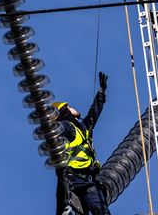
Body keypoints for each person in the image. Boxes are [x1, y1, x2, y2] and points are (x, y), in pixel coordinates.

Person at [55, 72, 110, 215]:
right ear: (64, 112)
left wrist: (101, 92)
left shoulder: (82, 128)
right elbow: (56, 140)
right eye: (68, 106)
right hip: (74, 179)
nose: (72, 107)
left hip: (87, 182)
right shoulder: (66, 126)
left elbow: (94, 113)